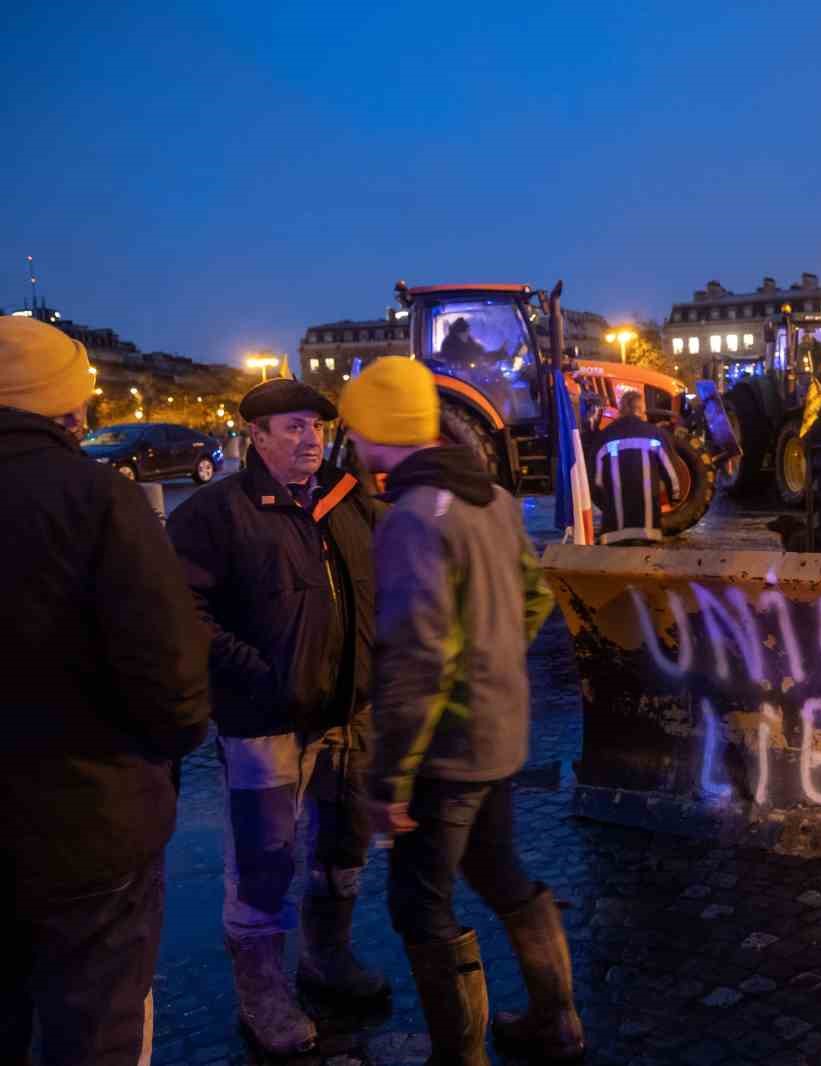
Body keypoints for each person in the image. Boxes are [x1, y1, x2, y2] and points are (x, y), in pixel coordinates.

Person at [338, 357, 584, 1064]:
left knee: (419, 905)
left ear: (382, 430)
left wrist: (389, 781)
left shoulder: (413, 518)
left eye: (357, 426)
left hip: (445, 751)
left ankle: (461, 1057)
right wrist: (496, 662)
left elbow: (418, 658)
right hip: (501, 732)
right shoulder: (495, 500)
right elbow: (534, 598)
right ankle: (557, 1021)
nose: (352, 440)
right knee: (501, 872)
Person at [0, 316, 211, 1065]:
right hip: (89, 826)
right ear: (66, 406)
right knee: (95, 1032)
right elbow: (175, 686)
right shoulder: (98, 500)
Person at [167, 377, 388, 1056]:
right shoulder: (214, 513)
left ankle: (326, 955)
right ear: (255, 437)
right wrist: (255, 673)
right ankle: (261, 992)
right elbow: (183, 611)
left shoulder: (349, 501)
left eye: (316, 427)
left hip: (349, 712)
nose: (310, 439)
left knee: (342, 845)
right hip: (262, 722)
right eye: (292, 427)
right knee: (265, 860)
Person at [591, 390, 681, 545]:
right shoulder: (656, 434)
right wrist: (675, 498)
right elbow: (671, 473)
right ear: (641, 409)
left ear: (621, 409)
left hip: (614, 532)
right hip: (648, 531)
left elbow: (596, 481)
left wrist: (606, 504)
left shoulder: (605, 436)